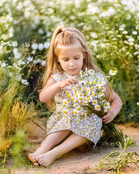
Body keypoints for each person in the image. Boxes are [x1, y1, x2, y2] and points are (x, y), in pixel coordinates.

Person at [28, 26, 122, 167]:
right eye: (65, 59)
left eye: (76, 58)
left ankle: (55, 153)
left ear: (84, 54)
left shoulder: (94, 77)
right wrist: (59, 85)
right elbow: (43, 97)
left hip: (85, 134)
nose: (71, 64)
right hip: (63, 125)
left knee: (92, 120)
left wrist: (112, 112)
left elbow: (116, 100)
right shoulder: (58, 77)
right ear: (58, 59)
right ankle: (42, 150)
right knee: (67, 117)